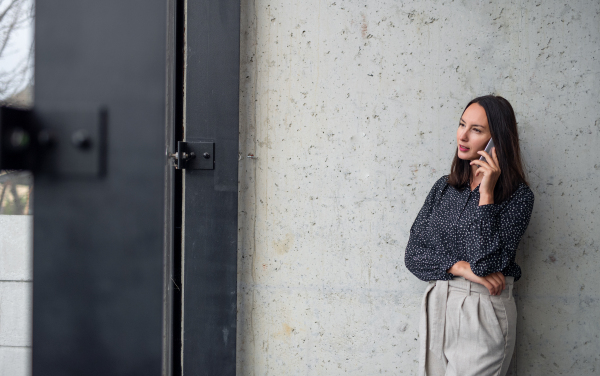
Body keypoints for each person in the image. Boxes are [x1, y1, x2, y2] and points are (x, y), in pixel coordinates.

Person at [404, 95, 535, 376]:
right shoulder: (444, 188)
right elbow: (413, 255)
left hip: (482, 309)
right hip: (439, 306)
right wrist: (463, 268)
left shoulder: (518, 197)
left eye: (476, 130)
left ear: (496, 140)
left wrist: (486, 194)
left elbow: (487, 265)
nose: (462, 135)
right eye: (462, 124)